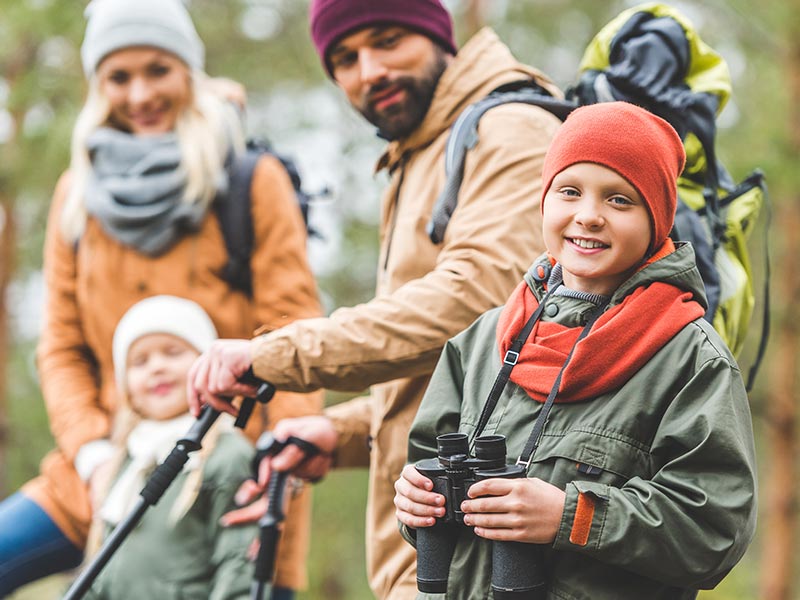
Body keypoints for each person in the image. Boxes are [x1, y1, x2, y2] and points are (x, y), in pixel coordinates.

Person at [187, 1, 562, 597]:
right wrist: (339, 433)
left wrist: (274, 354)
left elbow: (479, 307)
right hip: (441, 549)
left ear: (438, 34)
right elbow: (456, 382)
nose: (369, 72)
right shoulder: (425, 149)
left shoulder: (509, 128)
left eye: (388, 41)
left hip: (484, 555)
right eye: (345, 59)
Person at [0, 1, 322, 597]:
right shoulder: (79, 195)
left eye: (158, 70)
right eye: (119, 77)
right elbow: (62, 347)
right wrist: (95, 455)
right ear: (98, 86)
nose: (141, 93)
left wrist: (284, 464)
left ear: (188, 72)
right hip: (101, 473)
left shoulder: (251, 179)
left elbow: (296, 330)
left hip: (226, 479)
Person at [393, 102, 758, 599]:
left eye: (619, 201)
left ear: (657, 220)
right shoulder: (482, 342)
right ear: (544, 201)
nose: (588, 216)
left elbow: (713, 531)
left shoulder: (690, 360)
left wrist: (573, 517)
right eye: (569, 191)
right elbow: (426, 465)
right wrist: (415, 503)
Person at [83, 296, 259, 599]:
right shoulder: (126, 461)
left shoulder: (227, 456)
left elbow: (237, 566)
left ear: (207, 366)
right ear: (127, 388)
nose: (157, 367)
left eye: (173, 352)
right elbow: (101, 568)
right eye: (140, 361)